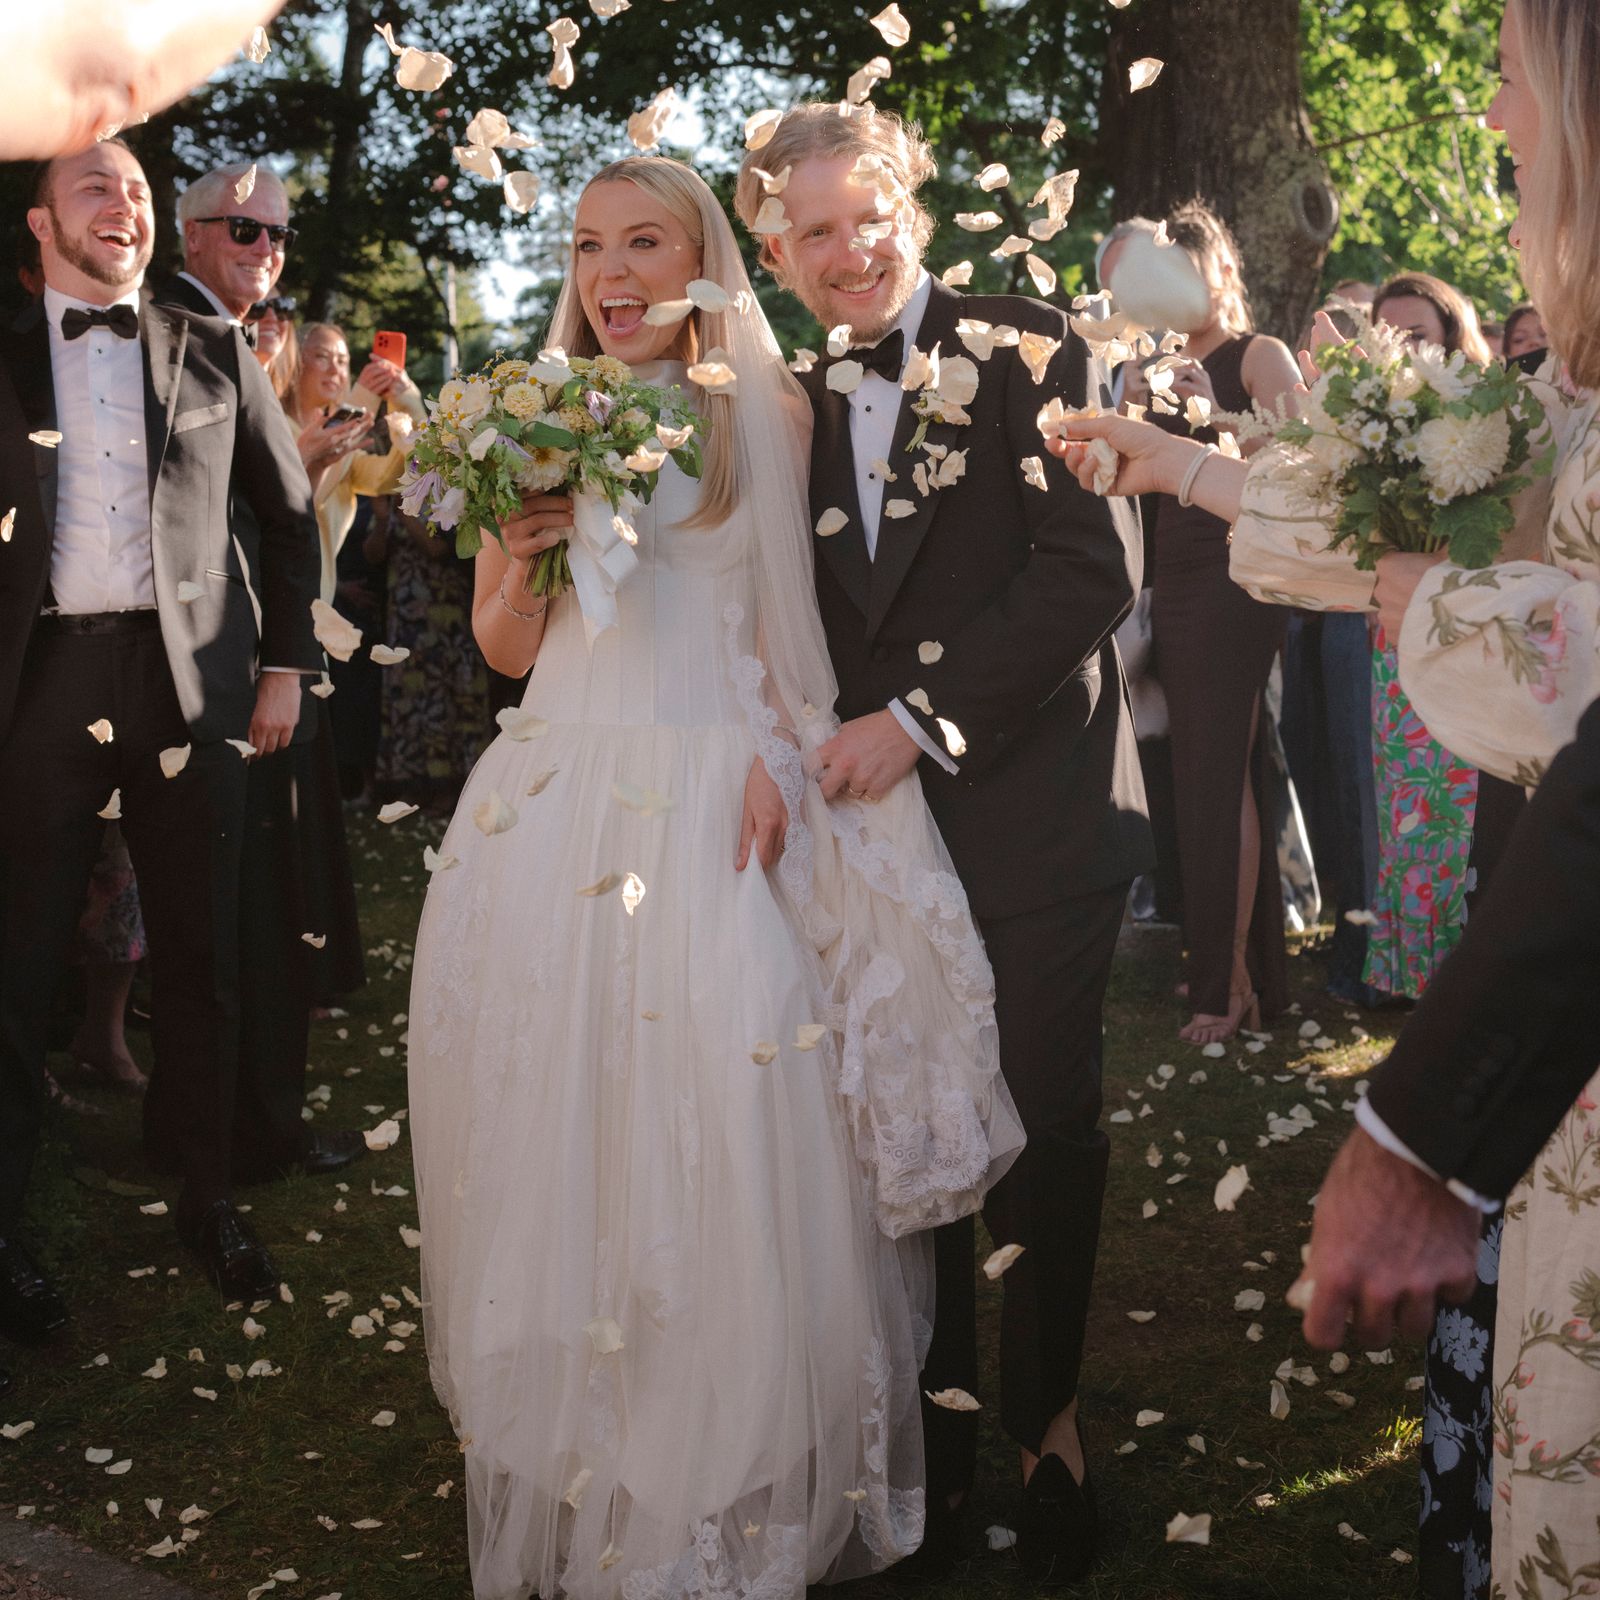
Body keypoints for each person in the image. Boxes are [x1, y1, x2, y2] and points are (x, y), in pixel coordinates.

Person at [408, 155, 1023, 1600]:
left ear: (699, 263)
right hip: (555, 801)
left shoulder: (764, 410)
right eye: (587, 249)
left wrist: (774, 753)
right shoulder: (531, 406)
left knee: (716, 1120)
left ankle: (720, 1459)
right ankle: (590, 1455)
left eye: (644, 244)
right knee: (558, 1130)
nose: (611, 275)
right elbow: (511, 646)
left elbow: (787, 635)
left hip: (702, 804)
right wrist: (512, 550)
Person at [737, 104, 1152, 1583]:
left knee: (1041, 1119)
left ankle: (1051, 1426)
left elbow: (1088, 570)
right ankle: (937, 1423)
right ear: (774, 249)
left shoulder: (1033, 345)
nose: (850, 252)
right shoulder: (781, 400)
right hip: (880, 844)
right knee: (915, 1119)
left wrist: (914, 720)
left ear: (912, 202)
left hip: (1036, 813)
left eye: (871, 215)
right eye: (814, 230)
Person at [0, 140, 321, 1327]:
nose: (121, 205)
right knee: (18, 956)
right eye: (94, 187)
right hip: (37, 683)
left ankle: (209, 1196)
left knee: (203, 954)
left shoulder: (214, 343)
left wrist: (284, 664)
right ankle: (8, 1227)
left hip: (194, 686)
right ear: (40, 226)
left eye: (135, 190)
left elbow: (289, 523)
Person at [156, 161, 367, 1181]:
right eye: (242, 229)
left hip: (256, 677)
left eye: (276, 236)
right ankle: (241, 1138)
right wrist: (278, 670)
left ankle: (231, 1131)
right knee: (246, 918)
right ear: (187, 235)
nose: (263, 250)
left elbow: (276, 521)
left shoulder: (226, 341)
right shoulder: (175, 335)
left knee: (251, 914)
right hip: (219, 683)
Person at [1139, 200, 1301, 1042]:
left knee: (1212, 776)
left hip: (1239, 578)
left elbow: (1310, 466)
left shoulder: (1257, 354)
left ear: (1221, 273)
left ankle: (1223, 983)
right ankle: (1250, 973)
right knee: (1214, 774)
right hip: (1173, 578)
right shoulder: (1155, 363)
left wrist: (1217, 421)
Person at [373, 505, 488, 813]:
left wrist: (405, 514)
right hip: (406, 618)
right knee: (411, 700)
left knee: (449, 699)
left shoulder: (448, 496)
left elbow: (438, 548)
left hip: (446, 619)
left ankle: (452, 785)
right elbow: (374, 555)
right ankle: (412, 783)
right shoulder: (395, 495)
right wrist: (383, 519)